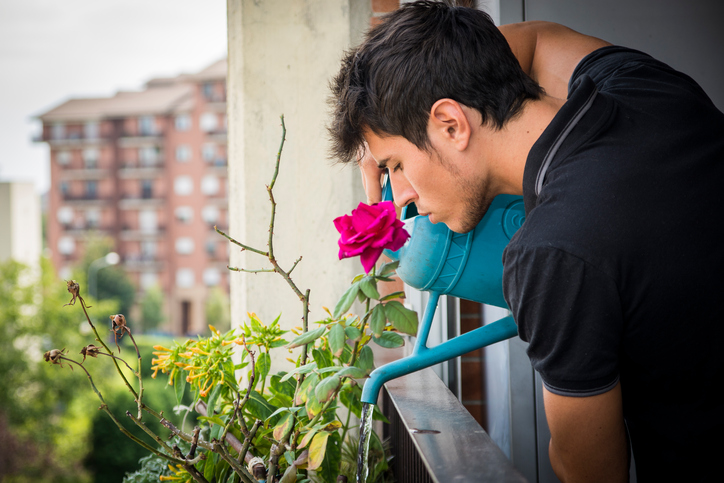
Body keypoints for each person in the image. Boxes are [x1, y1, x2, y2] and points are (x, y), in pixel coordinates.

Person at [327, 1, 724, 482]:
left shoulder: (552, 252)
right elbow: (532, 40)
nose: (401, 198)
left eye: (394, 165)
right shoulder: (640, 83)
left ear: (451, 124)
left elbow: (592, 471)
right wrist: (433, 66)